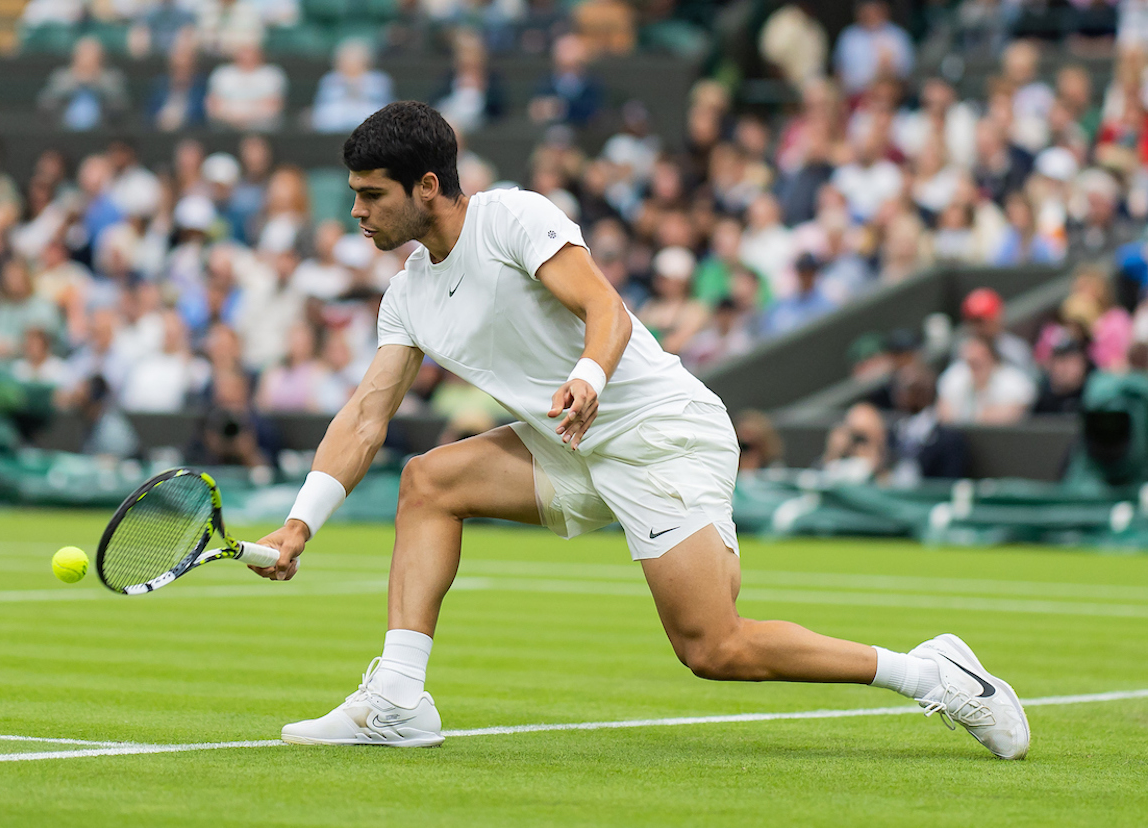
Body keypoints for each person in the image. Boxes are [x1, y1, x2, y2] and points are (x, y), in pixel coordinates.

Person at [249, 101, 1030, 759]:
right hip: (569, 445)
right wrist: (298, 524)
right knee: (429, 483)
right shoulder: (406, 296)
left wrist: (588, 377)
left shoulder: (512, 217)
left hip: (662, 433)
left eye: (370, 195)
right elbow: (364, 417)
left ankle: (933, 678)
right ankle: (397, 699)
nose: (356, 212)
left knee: (714, 649)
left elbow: (605, 309)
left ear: (427, 186)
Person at [36, 36, 130, 131]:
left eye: (92, 54)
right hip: (64, 129)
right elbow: (45, 101)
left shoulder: (111, 77)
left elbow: (121, 103)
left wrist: (96, 83)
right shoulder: (62, 76)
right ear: (74, 56)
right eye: (83, 54)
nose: (87, 58)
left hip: (103, 130)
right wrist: (73, 85)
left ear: (101, 57)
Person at [310, 39, 395, 135]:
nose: (350, 64)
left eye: (355, 60)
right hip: (336, 116)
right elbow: (323, 102)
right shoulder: (330, 78)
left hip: (367, 111)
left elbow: (384, 101)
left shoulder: (378, 78)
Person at [206, 39, 287, 133]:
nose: (247, 56)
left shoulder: (272, 74)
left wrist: (246, 119)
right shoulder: (222, 73)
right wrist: (235, 118)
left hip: (262, 128)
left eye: (250, 51)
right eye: (244, 51)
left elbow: (274, 106)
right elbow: (213, 105)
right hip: (226, 126)